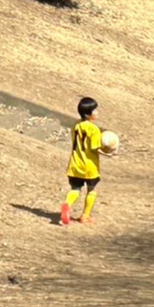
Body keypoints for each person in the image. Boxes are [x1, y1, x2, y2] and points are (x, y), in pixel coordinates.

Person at [60, 96, 106, 225]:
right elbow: (95, 147)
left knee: (75, 189)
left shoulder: (76, 125)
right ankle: (85, 216)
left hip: (75, 164)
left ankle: (67, 204)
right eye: (95, 110)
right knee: (91, 190)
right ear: (88, 113)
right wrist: (109, 152)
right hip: (89, 166)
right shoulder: (94, 129)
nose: (97, 112)